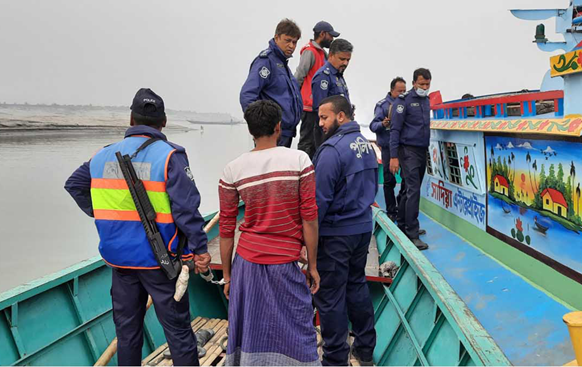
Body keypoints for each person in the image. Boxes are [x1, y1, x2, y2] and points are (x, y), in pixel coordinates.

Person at [64, 88, 211, 366]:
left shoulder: (102, 156)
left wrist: (106, 218)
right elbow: (186, 210)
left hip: (120, 261)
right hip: (161, 262)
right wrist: (200, 249)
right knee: (179, 334)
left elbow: (75, 184)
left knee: (127, 335)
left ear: (131, 119)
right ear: (164, 122)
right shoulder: (170, 156)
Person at [218, 100, 321, 366]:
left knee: (252, 331)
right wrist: (312, 264)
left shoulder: (233, 169)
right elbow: (309, 218)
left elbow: (227, 228)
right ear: (279, 127)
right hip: (286, 263)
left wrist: (228, 276)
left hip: (246, 265)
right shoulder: (299, 160)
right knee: (298, 330)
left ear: (250, 131)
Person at [313, 95, 378, 366]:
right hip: (362, 228)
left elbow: (319, 202)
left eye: (324, 117)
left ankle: (335, 359)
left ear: (341, 116)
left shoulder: (332, 150)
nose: (320, 124)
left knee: (330, 297)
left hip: (337, 233)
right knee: (356, 285)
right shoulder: (365, 144)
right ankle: (364, 349)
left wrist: (309, 243)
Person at [240, 19, 304, 148]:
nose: (291, 46)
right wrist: (261, 129)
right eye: (287, 41)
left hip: (286, 132)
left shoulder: (283, 65)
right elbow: (247, 95)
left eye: (294, 42)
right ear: (277, 37)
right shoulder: (266, 62)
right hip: (270, 134)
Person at [389, 68, 432, 251]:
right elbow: (395, 129)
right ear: (414, 83)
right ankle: (412, 234)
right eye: (421, 84)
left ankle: (403, 224)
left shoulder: (426, 100)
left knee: (409, 188)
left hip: (422, 150)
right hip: (407, 151)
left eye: (427, 84)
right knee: (413, 190)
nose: (424, 87)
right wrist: (393, 156)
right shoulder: (403, 101)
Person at [294, 21, 340, 160]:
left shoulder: (322, 53)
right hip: (309, 108)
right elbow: (299, 76)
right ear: (322, 34)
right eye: (330, 36)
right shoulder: (310, 51)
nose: (332, 39)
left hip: (319, 107)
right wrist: (297, 100)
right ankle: (303, 171)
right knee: (307, 142)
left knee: (317, 142)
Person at [370, 77, 407, 221]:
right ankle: (391, 211)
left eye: (404, 91)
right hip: (387, 148)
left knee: (406, 179)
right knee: (389, 180)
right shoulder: (382, 105)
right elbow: (374, 126)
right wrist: (383, 124)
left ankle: (402, 207)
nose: (402, 93)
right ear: (392, 91)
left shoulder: (407, 105)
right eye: (399, 91)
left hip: (404, 148)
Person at [311, 39, 353, 150]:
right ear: (331, 55)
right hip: (328, 134)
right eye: (342, 59)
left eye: (348, 60)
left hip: (341, 132)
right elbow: (319, 109)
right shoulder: (323, 76)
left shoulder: (338, 76)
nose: (345, 63)